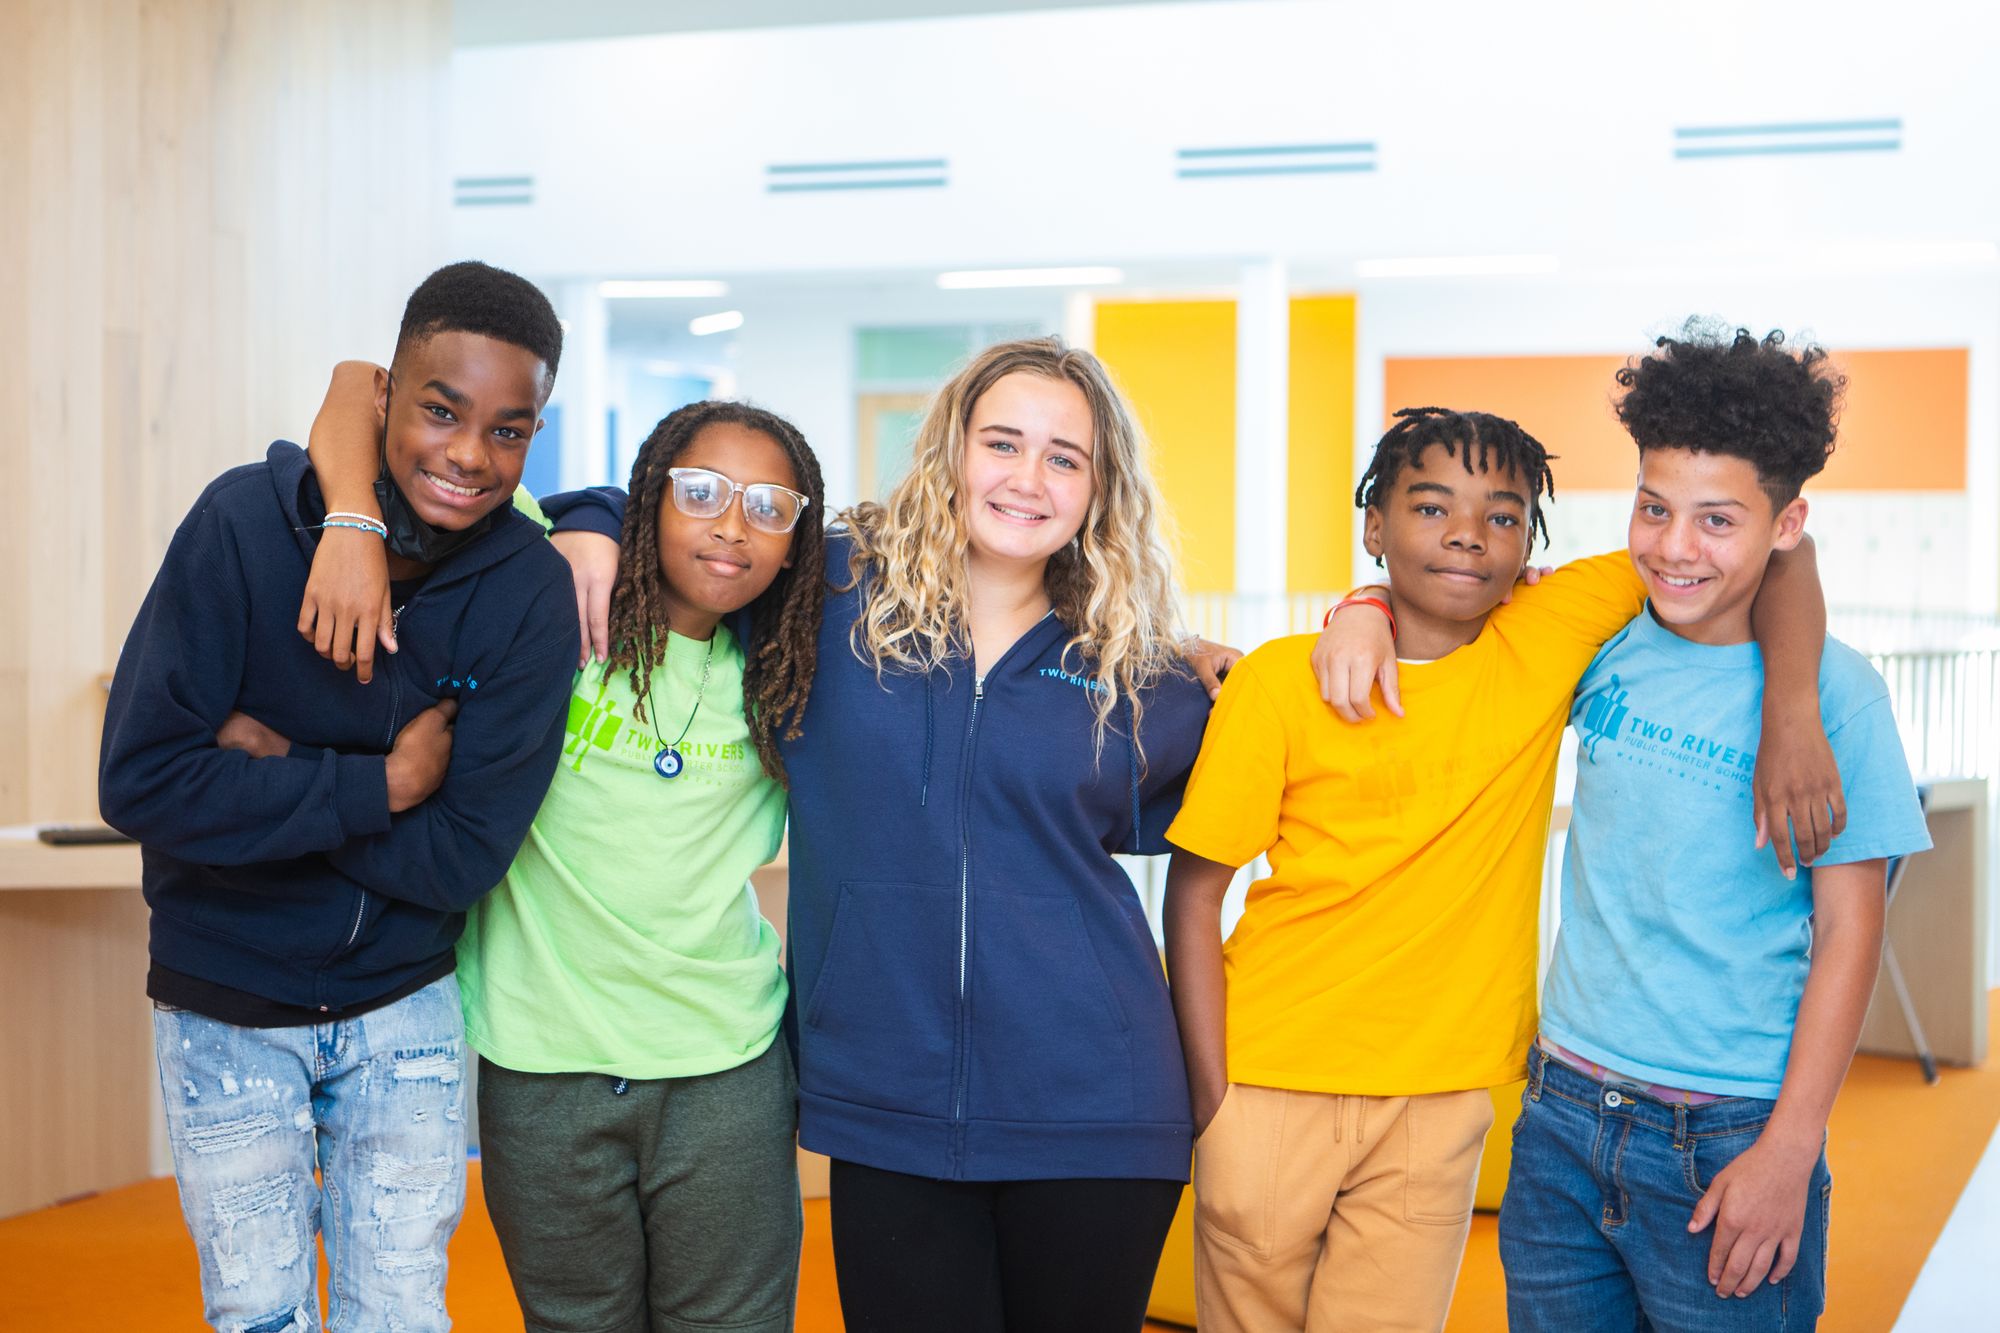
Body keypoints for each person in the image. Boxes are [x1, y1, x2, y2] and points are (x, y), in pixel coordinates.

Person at [528, 339, 1215, 1332]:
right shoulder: (825, 595)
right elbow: (696, 515)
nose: (1027, 478)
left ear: (1100, 488)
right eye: (1002, 443)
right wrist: (588, 527)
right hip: (883, 1102)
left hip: (1098, 1108)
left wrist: (1360, 615)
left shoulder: (1139, 671)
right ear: (949, 449)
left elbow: (1275, 759)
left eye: (1064, 457)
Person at [1163, 404, 1838, 1333]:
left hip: (1440, 1105)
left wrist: (1793, 709)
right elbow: (1196, 893)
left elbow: (1780, 550)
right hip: (1268, 1080)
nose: (1468, 536)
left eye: (1505, 516)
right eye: (1431, 508)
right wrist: (1212, 1102)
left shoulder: (1550, 631)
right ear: (1374, 526)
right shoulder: (1283, 681)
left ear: (1530, 543)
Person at [99, 260, 577, 1333]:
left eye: (508, 430)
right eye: (441, 410)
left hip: (402, 1005)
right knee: (258, 1313)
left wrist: (269, 775)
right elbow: (142, 779)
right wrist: (386, 784)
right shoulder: (238, 526)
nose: (467, 455)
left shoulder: (527, 594)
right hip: (222, 1004)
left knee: (400, 1312)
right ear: (380, 399)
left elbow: (462, 858)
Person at [298, 393, 828, 1331]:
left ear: (797, 540)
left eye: (770, 508)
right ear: (650, 501)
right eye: (700, 491)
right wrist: (585, 519)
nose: (732, 527)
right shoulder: (547, 602)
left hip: (726, 1069)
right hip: (541, 1067)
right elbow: (361, 391)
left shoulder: (793, 669)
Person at [1498, 326, 1930, 1330]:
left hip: (1727, 1128)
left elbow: (1849, 933)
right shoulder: (1600, 639)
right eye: (1653, 508)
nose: (1674, 546)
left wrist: (1788, 1148)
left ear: (1785, 525)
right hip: (1561, 1108)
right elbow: (1451, 609)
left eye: (1716, 520)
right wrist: (1359, 612)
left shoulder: (1840, 699)